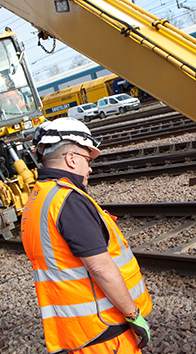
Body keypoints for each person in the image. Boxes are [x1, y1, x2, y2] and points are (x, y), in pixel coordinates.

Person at [21, 118, 153, 353]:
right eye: (87, 159)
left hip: (79, 330)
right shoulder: (68, 200)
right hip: (105, 329)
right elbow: (100, 267)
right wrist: (132, 314)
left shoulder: (37, 200)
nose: (90, 168)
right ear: (71, 159)